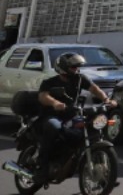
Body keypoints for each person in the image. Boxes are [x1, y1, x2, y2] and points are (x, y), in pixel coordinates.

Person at [35, 53, 116, 184]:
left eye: (77, 66)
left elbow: (95, 89)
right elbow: (43, 96)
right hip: (52, 115)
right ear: (63, 68)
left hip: (72, 115)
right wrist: (55, 103)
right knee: (54, 127)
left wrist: (107, 100)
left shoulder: (79, 79)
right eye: (73, 67)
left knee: (91, 129)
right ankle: (41, 167)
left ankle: (106, 174)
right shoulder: (50, 82)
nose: (76, 69)